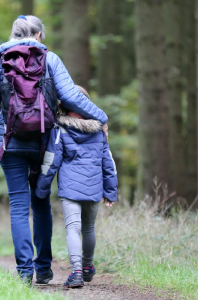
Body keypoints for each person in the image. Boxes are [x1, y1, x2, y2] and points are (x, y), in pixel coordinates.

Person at [0, 15, 109, 284]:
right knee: (41, 204)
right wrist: (101, 117)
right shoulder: (50, 59)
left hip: (11, 143)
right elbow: (72, 96)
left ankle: (25, 273)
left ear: (13, 34)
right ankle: (44, 268)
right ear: (39, 34)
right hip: (45, 143)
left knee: (18, 205)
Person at [35, 87, 118, 288]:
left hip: (70, 189)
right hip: (94, 187)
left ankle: (77, 272)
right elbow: (109, 163)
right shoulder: (99, 130)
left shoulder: (60, 129)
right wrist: (110, 191)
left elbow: (51, 161)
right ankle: (88, 267)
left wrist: (41, 188)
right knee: (89, 228)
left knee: (73, 229)